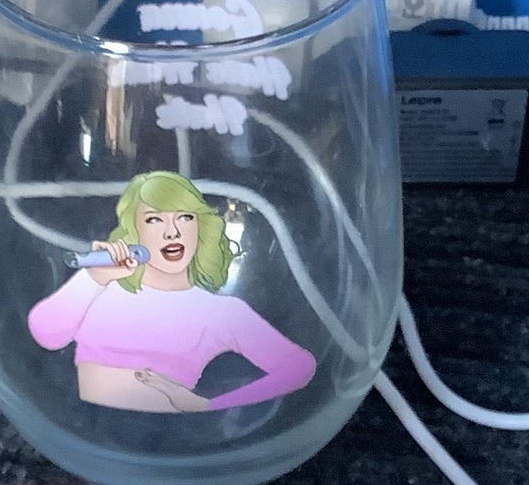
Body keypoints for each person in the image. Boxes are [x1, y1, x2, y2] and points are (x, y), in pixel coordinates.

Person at [27, 170, 315, 414]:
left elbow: (299, 367)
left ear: (199, 227)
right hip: (88, 429)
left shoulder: (220, 311)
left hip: (172, 441)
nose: (172, 232)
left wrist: (209, 405)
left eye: (185, 217)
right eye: (154, 219)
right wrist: (94, 277)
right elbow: (46, 334)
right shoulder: (100, 286)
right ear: (134, 230)